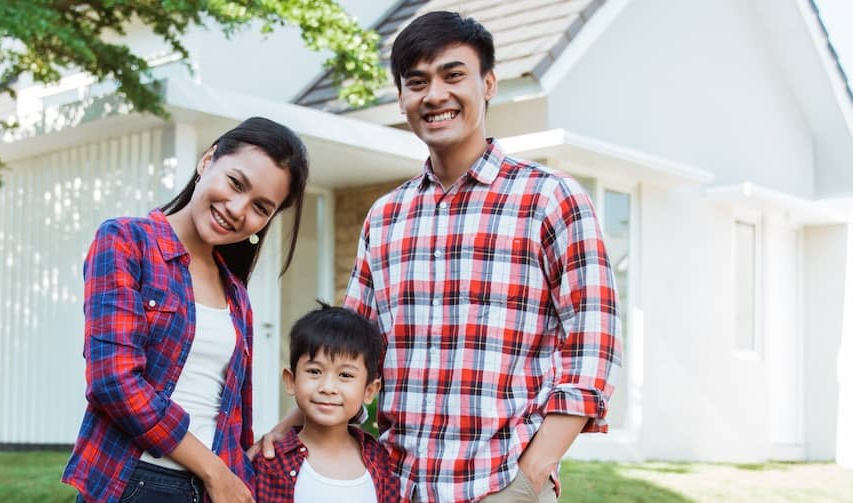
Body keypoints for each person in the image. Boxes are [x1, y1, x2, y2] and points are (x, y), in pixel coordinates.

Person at [256, 11, 621, 503]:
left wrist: (529, 479)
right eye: (417, 82)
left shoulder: (549, 199)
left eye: (453, 76)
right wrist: (288, 429)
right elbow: (349, 351)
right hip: (393, 485)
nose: (435, 95)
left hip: (500, 484)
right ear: (403, 98)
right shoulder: (386, 217)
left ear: (488, 83)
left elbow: (591, 349)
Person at [64, 116, 310, 503]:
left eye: (260, 207)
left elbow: (230, 413)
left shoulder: (236, 294)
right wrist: (214, 471)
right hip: (137, 482)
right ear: (207, 160)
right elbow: (113, 380)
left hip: (215, 489)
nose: (237, 209)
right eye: (235, 183)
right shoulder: (127, 242)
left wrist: (235, 473)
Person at [252, 304, 400, 503]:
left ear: (369, 391)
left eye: (345, 375)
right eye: (314, 372)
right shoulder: (269, 463)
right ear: (291, 380)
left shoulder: (381, 462)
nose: (328, 387)